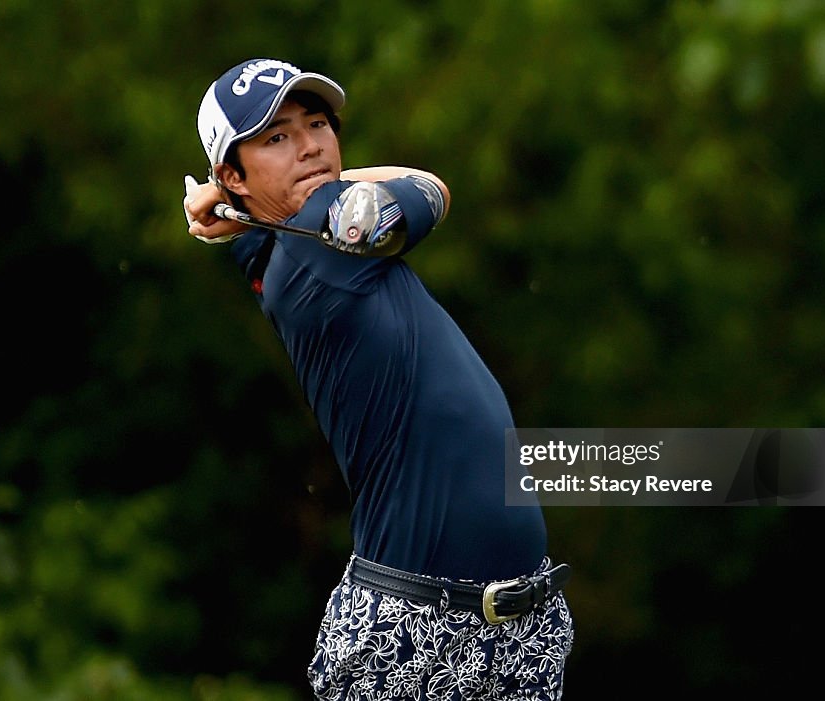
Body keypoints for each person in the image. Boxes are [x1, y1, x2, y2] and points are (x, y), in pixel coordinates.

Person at [183, 57, 574, 700]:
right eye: (276, 137)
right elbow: (430, 188)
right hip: (418, 636)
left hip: (511, 629)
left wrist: (237, 200)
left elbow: (260, 230)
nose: (310, 144)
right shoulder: (322, 234)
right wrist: (239, 200)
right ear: (232, 171)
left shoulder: (277, 245)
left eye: (317, 123)